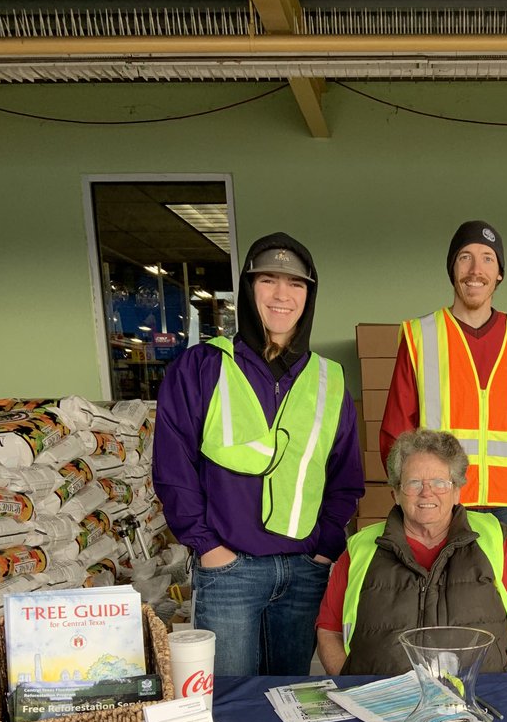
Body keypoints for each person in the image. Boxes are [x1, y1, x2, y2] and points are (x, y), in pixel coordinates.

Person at [152, 232, 364, 677]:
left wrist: (324, 547)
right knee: (229, 705)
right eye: (268, 280)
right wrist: (207, 547)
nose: (282, 295)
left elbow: (344, 475)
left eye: (296, 284)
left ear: (309, 295)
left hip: (304, 570)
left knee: (289, 700)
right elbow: (174, 469)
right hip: (230, 571)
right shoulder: (201, 367)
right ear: (249, 290)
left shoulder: (330, 379)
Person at [317, 429, 507, 676]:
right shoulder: (361, 548)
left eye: (440, 482)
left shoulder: (495, 538)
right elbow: (329, 631)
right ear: (396, 493)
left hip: (483, 698)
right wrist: (347, 687)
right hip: (381, 703)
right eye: (414, 483)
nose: (427, 492)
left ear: (457, 492)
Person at [379, 220, 507, 548]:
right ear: (452, 269)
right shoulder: (422, 336)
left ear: (499, 272)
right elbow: (396, 429)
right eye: (465, 257)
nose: (475, 269)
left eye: (487, 258)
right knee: (439, 598)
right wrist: (409, 493)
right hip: (439, 499)